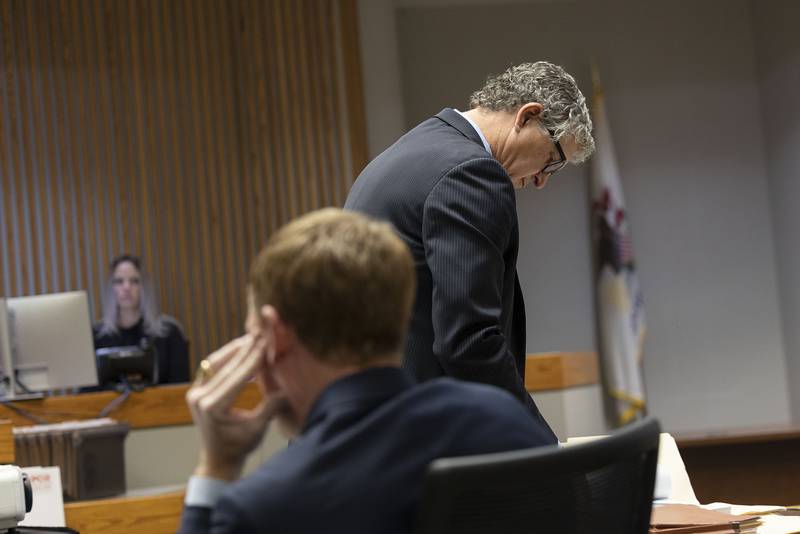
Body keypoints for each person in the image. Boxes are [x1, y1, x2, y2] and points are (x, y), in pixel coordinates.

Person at [179, 209, 555, 534]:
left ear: (274, 337)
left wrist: (216, 466)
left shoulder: (263, 509)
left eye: (254, 338)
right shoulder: (504, 420)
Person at [344, 61, 595, 439]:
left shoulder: (418, 146)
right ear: (528, 117)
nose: (542, 180)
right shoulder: (471, 172)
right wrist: (541, 445)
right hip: (412, 437)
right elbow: (469, 342)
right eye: (552, 160)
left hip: (364, 420)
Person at [93, 254, 190, 384]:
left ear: (144, 287)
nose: (126, 287)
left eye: (134, 281)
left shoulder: (169, 333)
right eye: (119, 281)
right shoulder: (96, 336)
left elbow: (180, 387)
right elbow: (85, 393)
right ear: (111, 289)